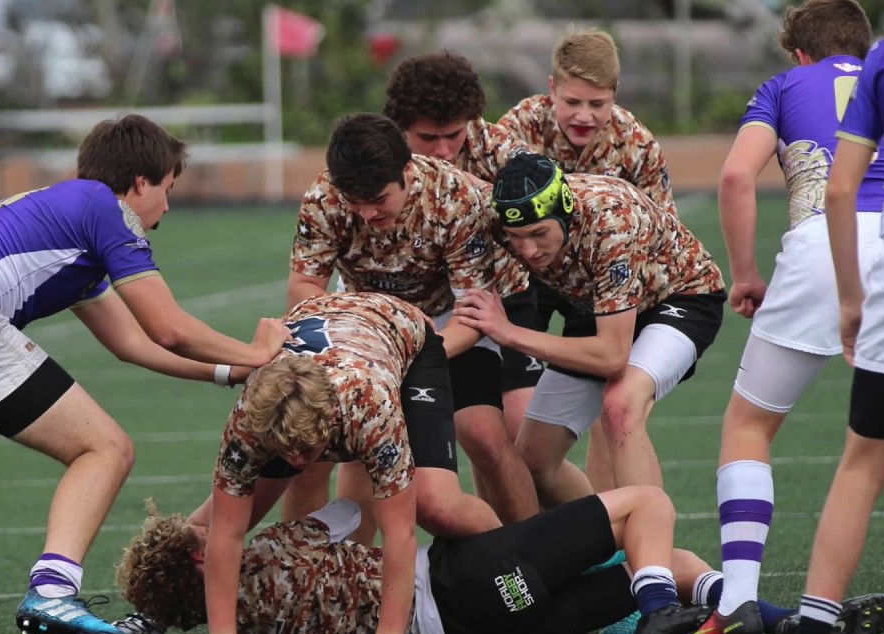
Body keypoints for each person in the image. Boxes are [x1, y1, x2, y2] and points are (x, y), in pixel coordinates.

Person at [0, 114, 291, 634]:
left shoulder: (66, 214)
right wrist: (258, 352)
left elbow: (130, 343)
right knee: (105, 448)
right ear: (140, 182)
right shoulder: (105, 210)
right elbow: (167, 327)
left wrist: (225, 373)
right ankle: (53, 592)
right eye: (167, 190)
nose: (166, 208)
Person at [678, 0, 884, 634]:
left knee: (750, 424)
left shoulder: (785, 85)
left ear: (798, 53)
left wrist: (748, 273)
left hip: (822, 247)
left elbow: (734, 176)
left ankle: (737, 601)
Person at [111, 494, 884, 634]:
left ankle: (773, 618)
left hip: (494, 630)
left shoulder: (241, 626)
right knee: (646, 507)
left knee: (667, 562)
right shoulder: (271, 548)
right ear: (195, 556)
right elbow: (350, 508)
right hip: (460, 580)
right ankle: (666, 606)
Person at [280, 56, 544, 528]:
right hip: (365, 322)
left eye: (378, 201)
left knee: (485, 434)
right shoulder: (323, 199)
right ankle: (350, 583)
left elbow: (472, 310)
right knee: (336, 453)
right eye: (354, 204)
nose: (366, 215)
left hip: (445, 320)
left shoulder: (459, 196)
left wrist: (411, 358)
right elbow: (305, 285)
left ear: (407, 167)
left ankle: (534, 554)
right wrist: (336, 348)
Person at [193, 291, 504, 634]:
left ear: (331, 424)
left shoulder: (368, 408)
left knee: (437, 507)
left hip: (400, 331)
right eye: (285, 451)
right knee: (221, 520)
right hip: (325, 326)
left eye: (306, 451)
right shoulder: (247, 423)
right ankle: (148, 617)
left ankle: (511, 556)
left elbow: (399, 531)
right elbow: (226, 532)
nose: (296, 460)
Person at [457, 152, 726, 508]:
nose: (527, 250)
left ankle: (650, 555)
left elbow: (613, 358)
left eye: (539, 233)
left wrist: (509, 333)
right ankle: (607, 542)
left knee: (620, 405)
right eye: (515, 237)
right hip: (600, 305)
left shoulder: (612, 220)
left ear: (565, 212)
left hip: (679, 298)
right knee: (533, 464)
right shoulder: (495, 215)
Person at [499, 28, 679, 498]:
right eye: (573, 101)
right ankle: (527, 535)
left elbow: (665, 231)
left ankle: (612, 532)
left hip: (606, 281)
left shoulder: (636, 143)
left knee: (613, 409)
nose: (584, 115)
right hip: (531, 273)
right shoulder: (515, 130)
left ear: (614, 97)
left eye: (597, 104)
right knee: (515, 424)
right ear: (551, 88)